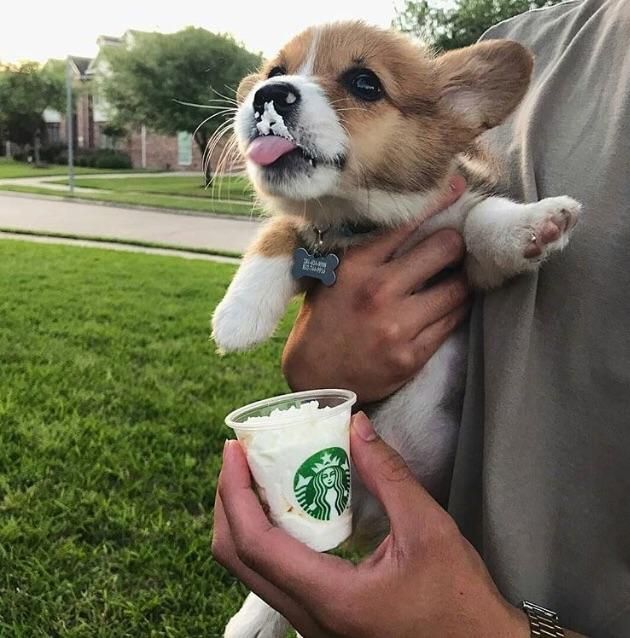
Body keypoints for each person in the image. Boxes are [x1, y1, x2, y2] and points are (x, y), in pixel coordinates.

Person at [213, 0, 630, 635]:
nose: (279, 91)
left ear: (452, 118)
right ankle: (271, 597)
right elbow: (287, 242)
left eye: (360, 84)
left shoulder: (458, 191)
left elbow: (479, 238)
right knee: (309, 522)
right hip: (371, 452)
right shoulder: (549, 35)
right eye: (280, 73)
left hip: (494, 531)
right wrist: (315, 360)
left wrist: (502, 232)